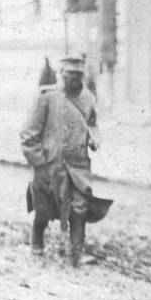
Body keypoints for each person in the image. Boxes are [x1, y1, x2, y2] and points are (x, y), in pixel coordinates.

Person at [20, 56, 101, 267]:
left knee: (80, 208)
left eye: (78, 75)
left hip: (78, 166)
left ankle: (76, 253)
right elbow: (28, 134)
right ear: (61, 74)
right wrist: (39, 161)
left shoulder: (88, 99)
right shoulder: (46, 98)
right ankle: (37, 243)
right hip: (50, 165)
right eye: (70, 74)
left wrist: (94, 139)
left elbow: (92, 123)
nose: (74, 79)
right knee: (43, 209)